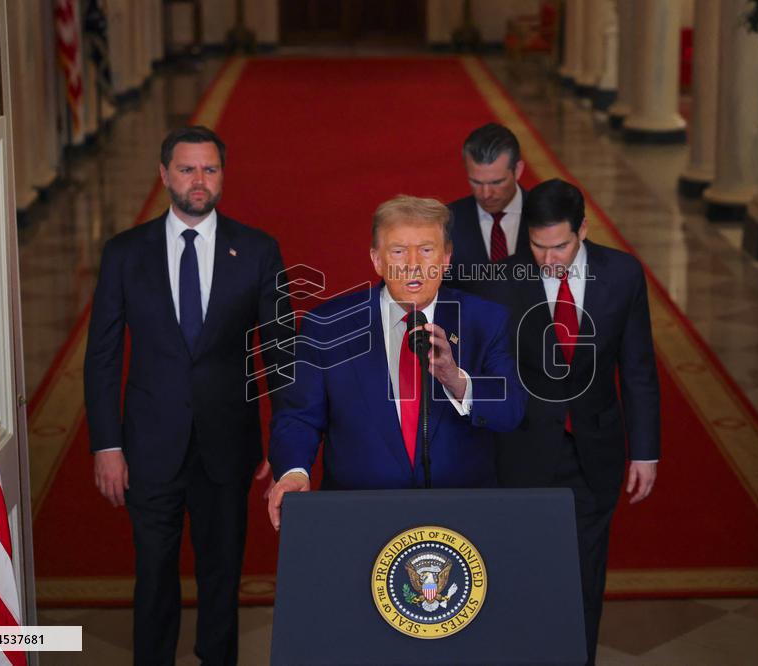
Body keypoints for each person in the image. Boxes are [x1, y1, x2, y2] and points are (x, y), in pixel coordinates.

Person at [84, 126, 293, 666]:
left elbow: (281, 354)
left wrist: (285, 442)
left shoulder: (258, 250)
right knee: (154, 572)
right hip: (149, 445)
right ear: (163, 175)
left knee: (222, 573)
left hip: (227, 444)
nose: (199, 181)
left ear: (222, 175)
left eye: (209, 169)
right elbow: (103, 355)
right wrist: (106, 445)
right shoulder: (125, 253)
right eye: (186, 169)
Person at [266, 195, 527, 527]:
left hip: (461, 520)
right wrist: (293, 471)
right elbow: (299, 416)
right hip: (358, 518)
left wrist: (456, 379)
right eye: (399, 251)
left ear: (447, 258)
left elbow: (511, 411)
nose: (413, 264)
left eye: (427, 250)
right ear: (377, 260)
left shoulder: (485, 320)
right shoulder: (327, 325)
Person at [489, 179, 660, 665]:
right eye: (537, 246)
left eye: (560, 246)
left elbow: (638, 368)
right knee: (520, 576)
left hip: (594, 451)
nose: (548, 259)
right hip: (521, 450)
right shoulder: (501, 279)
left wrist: (645, 451)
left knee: (584, 578)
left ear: (582, 230)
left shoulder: (623, 274)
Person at [443, 123, 529, 292]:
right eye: (476, 182)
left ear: (518, 170)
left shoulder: (549, 216)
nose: (486, 194)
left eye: (497, 182)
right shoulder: (447, 222)